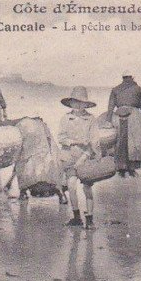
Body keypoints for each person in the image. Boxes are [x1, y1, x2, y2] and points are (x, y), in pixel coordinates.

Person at [58, 87, 100, 229]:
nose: (77, 105)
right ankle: (76, 217)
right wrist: (74, 142)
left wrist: (85, 155)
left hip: (85, 157)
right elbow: (61, 138)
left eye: (80, 102)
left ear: (85, 104)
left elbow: (94, 141)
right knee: (71, 187)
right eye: (74, 102)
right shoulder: (65, 118)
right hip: (69, 156)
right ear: (71, 103)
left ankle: (89, 219)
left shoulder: (91, 119)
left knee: (87, 188)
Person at [107, 71, 141, 176]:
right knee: (135, 141)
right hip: (134, 115)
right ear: (132, 77)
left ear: (122, 78)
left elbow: (110, 108)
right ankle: (132, 169)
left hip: (118, 116)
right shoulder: (139, 89)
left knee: (120, 141)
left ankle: (121, 169)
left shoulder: (115, 89)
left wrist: (108, 122)